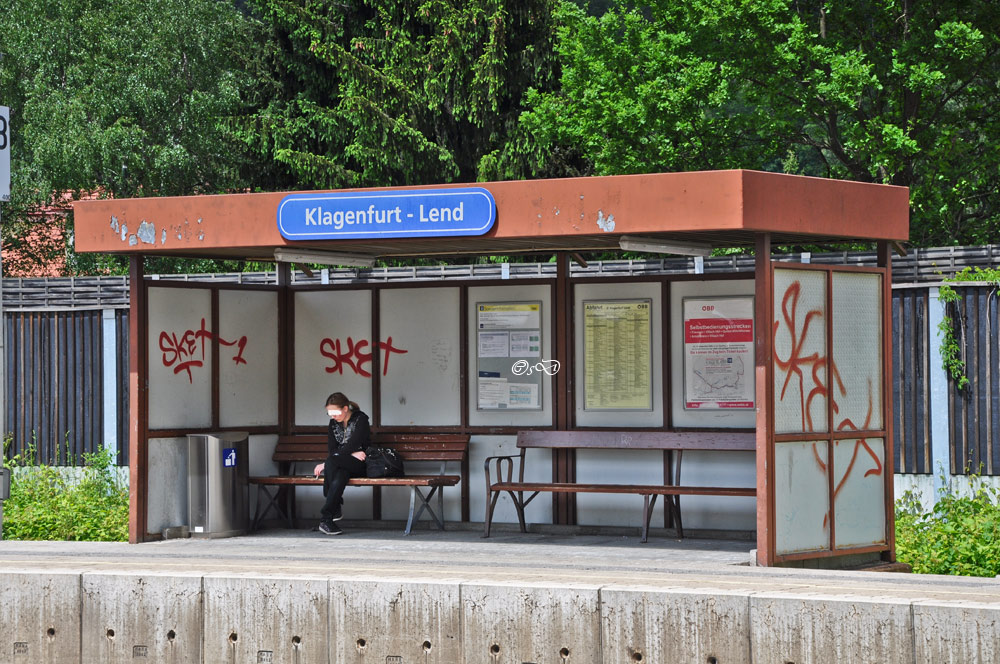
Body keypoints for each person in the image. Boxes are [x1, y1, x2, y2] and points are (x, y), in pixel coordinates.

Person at [312, 392, 370, 535]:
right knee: (340, 476)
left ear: (345, 408)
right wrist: (350, 453)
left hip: (361, 464)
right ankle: (327, 519)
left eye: (335, 412)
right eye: (329, 413)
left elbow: (353, 444)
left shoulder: (361, 419)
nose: (333, 416)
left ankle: (334, 508)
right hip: (341, 465)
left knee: (331, 462)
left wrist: (327, 463)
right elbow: (332, 450)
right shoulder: (333, 424)